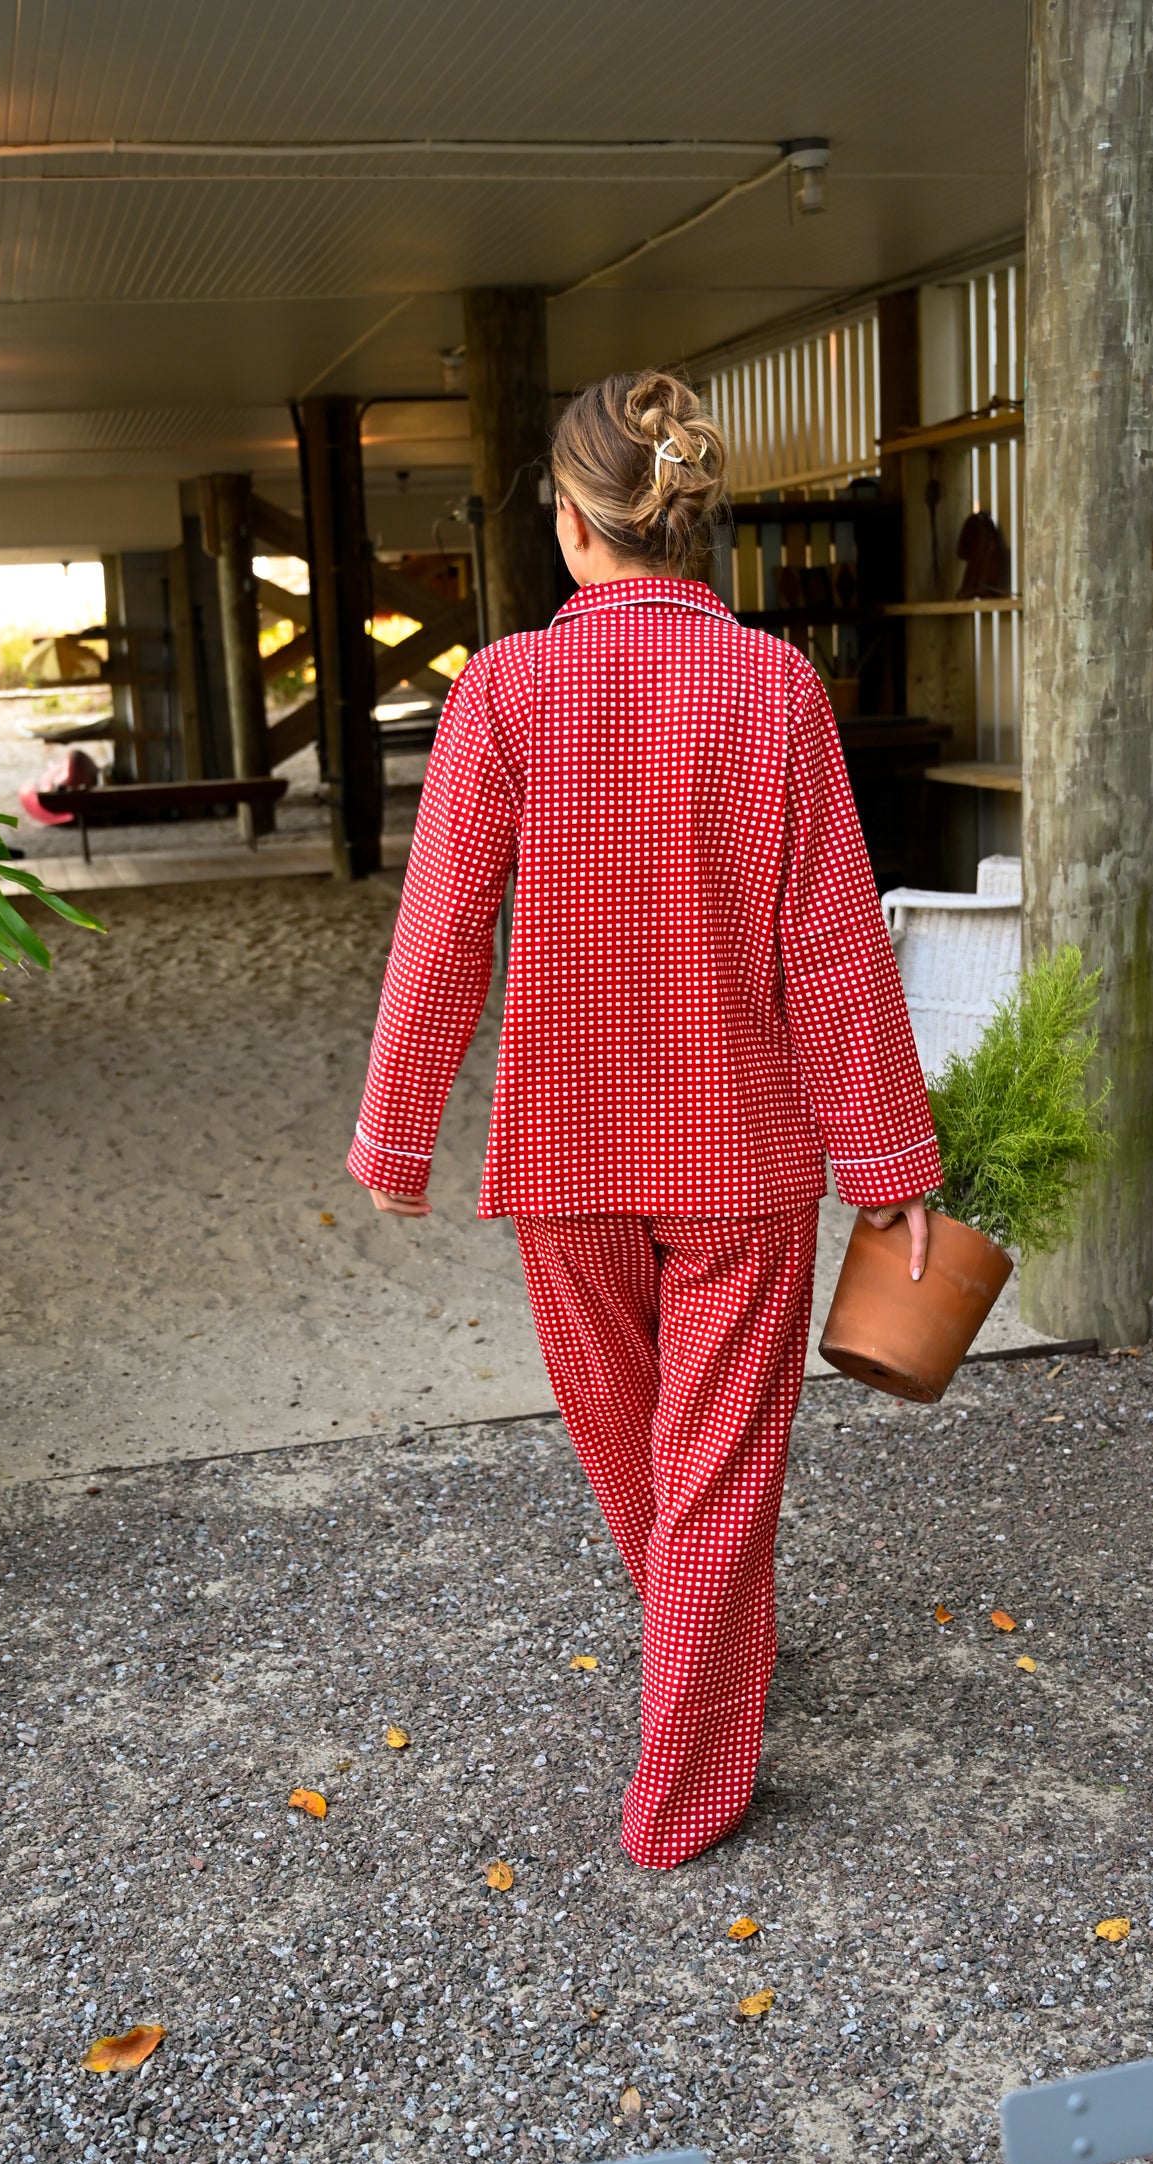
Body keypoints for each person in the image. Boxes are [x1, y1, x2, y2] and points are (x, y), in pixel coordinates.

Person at [346, 368, 941, 1871]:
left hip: (563, 1160)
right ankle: (708, 1671)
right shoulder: (774, 689)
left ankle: (689, 1725)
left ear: (569, 523)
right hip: (740, 1153)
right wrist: (883, 1159)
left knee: (639, 1454)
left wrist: (396, 1132)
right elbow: (830, 940)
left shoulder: (503, 691)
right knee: (713, 1470)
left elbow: (438, 933)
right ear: (691, 528)